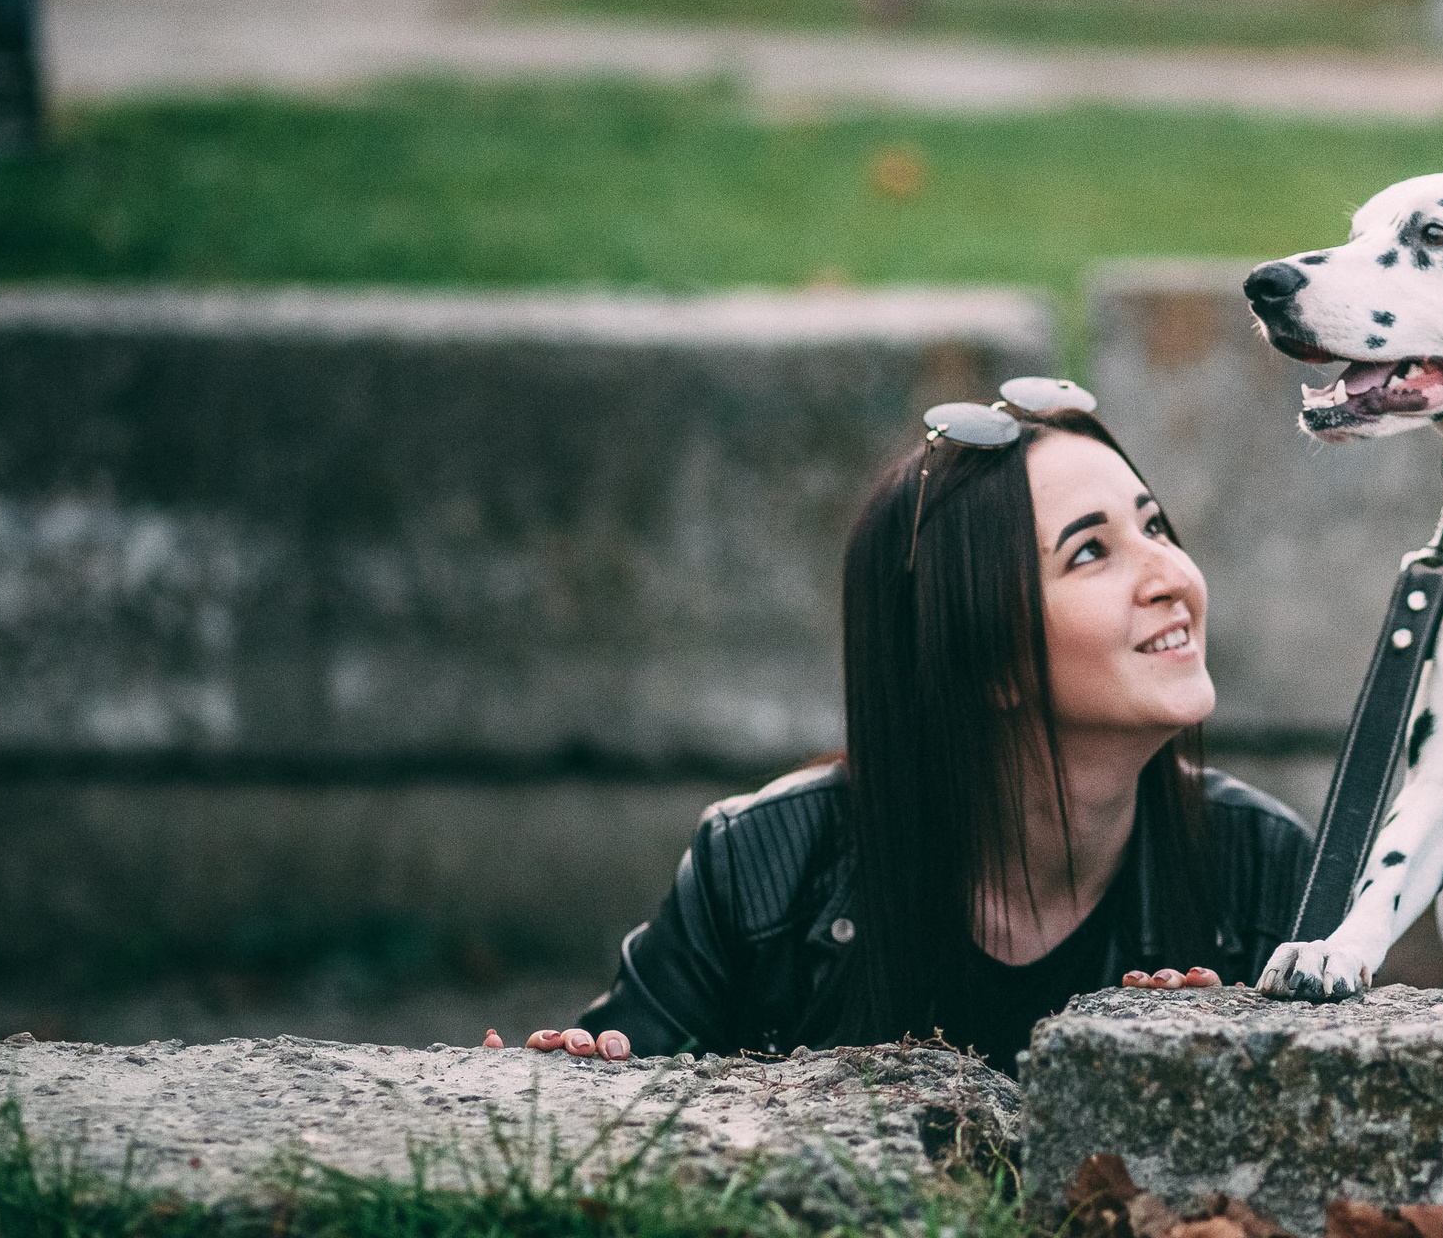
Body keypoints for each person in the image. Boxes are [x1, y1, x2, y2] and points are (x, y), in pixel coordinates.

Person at [496, 382, 1318, 1073]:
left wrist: (1224, 1075)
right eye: (1091, 552)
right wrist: (569, 1075)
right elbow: (612, 1091)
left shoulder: (1258, 869)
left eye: (1154, 526)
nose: (1171, 575)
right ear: (984, 657)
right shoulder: (760, 872)